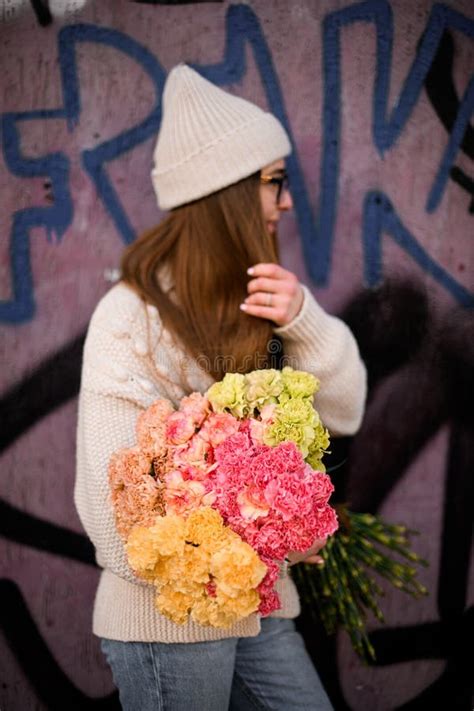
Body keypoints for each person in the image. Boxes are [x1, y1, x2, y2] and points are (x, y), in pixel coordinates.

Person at [74, 64, 367, 710]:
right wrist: (279, 531)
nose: (286, 201)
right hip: (169, 621)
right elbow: (113, 509)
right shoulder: (130, 318)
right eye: (273, 183)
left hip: (256, 607)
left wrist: (305, 320)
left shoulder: (261, 299)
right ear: (227, 193)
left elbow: (345, 408)